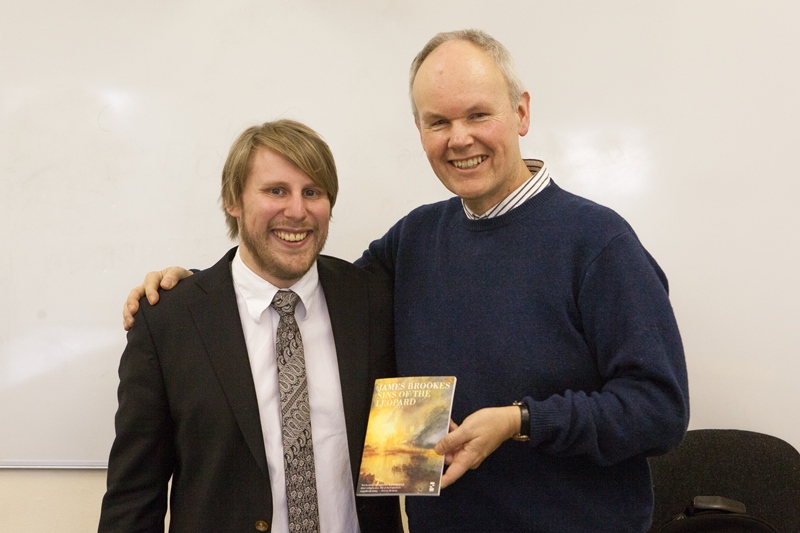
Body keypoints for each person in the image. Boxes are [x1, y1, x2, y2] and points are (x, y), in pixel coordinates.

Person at [123, 30, 689, 533]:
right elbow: (309, 292)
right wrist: (199, 294)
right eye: (437, 122)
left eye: (477, 115)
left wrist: (523, 421)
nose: (459, 138)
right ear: (419, 130)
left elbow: (659, 409)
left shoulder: (598, 243)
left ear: (520, 113)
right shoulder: (415, 239)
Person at [101, 119, 400, 532]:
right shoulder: (169, 321)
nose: (296, 211)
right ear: (233, 200)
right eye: (276, 190)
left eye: (311, 192)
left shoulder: (372, 302)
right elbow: (134, 496)